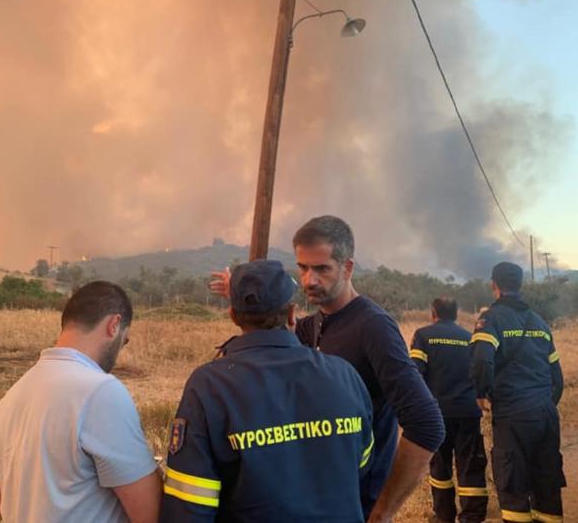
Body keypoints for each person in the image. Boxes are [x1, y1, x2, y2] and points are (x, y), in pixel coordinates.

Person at [210, 216, 445, 522]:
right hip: (320, 501)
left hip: (357, 503)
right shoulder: (318, 322)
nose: (309, 280)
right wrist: (246, 295)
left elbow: (427, 424)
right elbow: (275, 331)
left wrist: (383, 511)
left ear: (347, 268)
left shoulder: (373, 327)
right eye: (303, 267)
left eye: (322, 269)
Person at [161, 260, 374, 522]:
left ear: (233, 316)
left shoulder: (210, 385)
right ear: (292, 314)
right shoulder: (344, 374)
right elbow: (362, 463)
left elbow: (190, 503)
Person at [0, 281, 162, 523]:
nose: (121, 349)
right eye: (125, 341)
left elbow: (1, 504)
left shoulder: (10, 398)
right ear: (114, 325)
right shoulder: (100, 391)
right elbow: (150, 513)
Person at [470, 262, 565, 523]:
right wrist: (543, 404)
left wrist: (481, 393)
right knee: (547, 485)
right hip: (545, 415)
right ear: (520, 284)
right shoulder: (540, 323)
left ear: (494, 285)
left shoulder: (491, 319)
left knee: (513, 487)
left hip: (514, 417)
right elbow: (557, 379)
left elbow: (481, 361)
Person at [410, 297, 487, 523]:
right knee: (470, 465)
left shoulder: (423, 335)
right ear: (456, 313)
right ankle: (472, 516)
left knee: (440, 467)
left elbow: (415, 373)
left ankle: (443, 516)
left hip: (438, 413)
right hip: (468, 412)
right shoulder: (469, 337)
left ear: (433, 312)